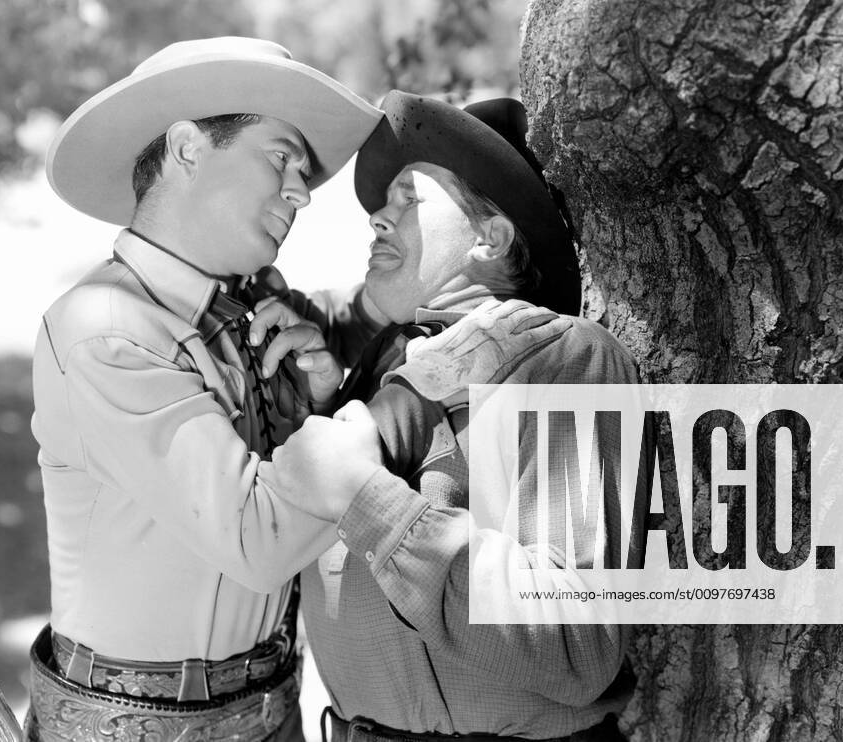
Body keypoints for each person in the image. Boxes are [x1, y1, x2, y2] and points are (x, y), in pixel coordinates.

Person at [9, 37, 383, 742]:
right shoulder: (106, 330)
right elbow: (259, 538)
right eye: (280, 158)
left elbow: (358, 309)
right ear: (187, 148)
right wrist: (382, 417)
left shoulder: (239, 309)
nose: (301, 192)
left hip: (270, 710)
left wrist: (324, 392)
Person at [252, 92, 642, 742]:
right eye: (385, 203)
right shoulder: (375, 368)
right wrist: (328, 407)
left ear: (489, 240)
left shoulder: (561, 360)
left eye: (409, 198)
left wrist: (366, 498)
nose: (379, 218)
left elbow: (576, 642)